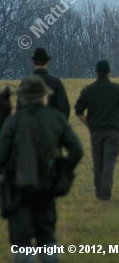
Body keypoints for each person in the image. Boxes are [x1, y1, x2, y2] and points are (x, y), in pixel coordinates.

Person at [0, 75, 83, 263]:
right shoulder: (56, 119)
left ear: (22, 97)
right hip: (47, 186)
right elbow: (77, 151)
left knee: (21, 241)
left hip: (17, 190)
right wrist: (62, 171)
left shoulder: (13, 122)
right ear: (44, 96)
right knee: (46, 237)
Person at [74, 60, 119, 201]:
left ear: (96, 72)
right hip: (113, 132)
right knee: (109, 161)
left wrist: (89, 125)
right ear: (109, 72)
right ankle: (105, 193)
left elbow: (78, 111)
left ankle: (98, 192)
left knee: (98, 162)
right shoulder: (117, 89)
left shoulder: (88, 90)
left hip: (95, 132)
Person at [16, 48, 70, 119]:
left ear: (32, 62)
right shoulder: (56, 82)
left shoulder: (26, 82)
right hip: (51, 126)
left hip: (30, 127)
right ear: (47, 62)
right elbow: (64, 107)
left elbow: (19, 108)